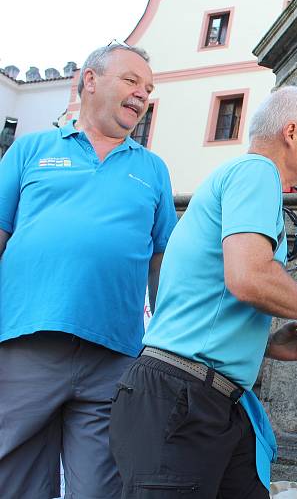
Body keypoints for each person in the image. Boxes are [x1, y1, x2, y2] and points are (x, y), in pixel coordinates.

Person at [109, 86, 297, 498]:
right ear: (291, 132)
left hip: (204, 398)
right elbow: (248, 277)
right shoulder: (256, 172)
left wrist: (267, 344)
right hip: (183, 399)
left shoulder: (239, 180)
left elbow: (215, 294)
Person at [0, 43, 177, 498]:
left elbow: (163, 262)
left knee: (102, 487)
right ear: (90, 80)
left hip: (114, 355)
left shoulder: (153, 169)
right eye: (131, 81)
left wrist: (168, 341)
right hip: (26, 342)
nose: (142, 94)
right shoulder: (30, 149)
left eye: (149, 89)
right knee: (14, 480)